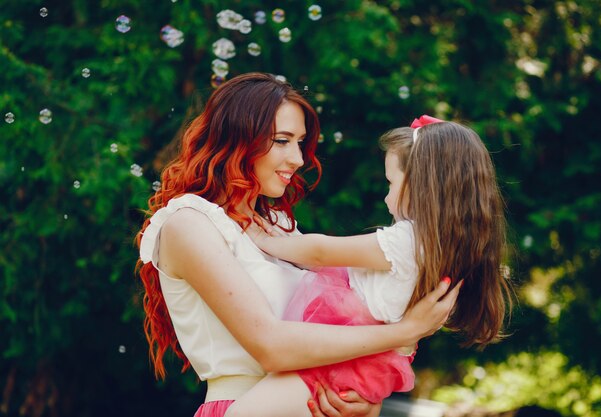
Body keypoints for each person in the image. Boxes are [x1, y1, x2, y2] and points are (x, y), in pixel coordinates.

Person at [136, 73, 460, 417]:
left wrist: (361, 400)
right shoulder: (188, 223)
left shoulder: (278, 227)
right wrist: (405, 331)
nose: (298, 159)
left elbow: (340, 331)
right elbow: (271, 346)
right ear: (236, 139)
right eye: (281, 141)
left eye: (300, 142)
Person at [226, 115, 513, 417]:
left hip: (340, 362)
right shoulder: (448, 249)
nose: (387, 196)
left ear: (423, 186)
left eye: (392, 183)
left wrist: (261, 236)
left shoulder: (410, 242)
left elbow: (322, 252)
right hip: (364, 367)